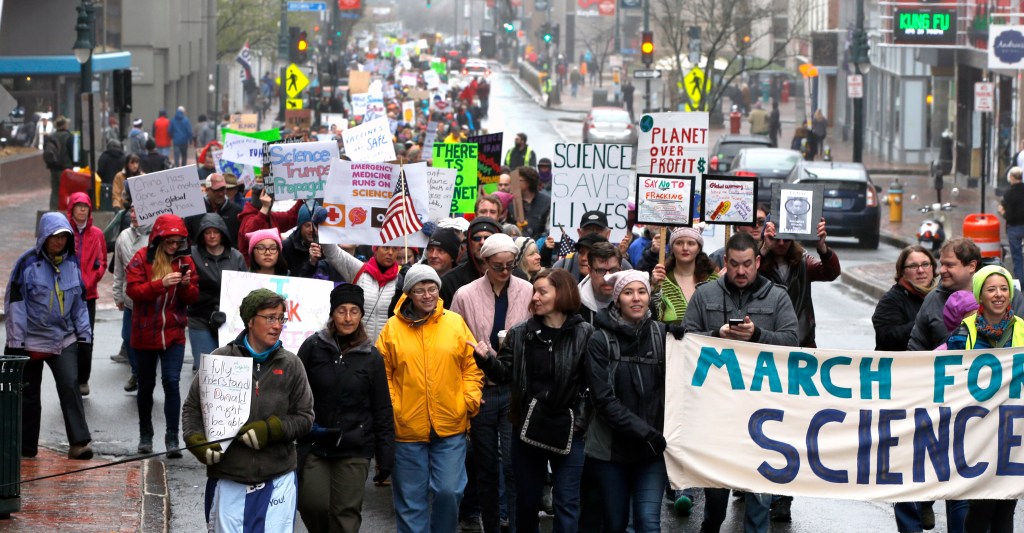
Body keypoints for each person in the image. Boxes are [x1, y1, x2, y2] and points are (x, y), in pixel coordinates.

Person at [683, 232, 799, 533]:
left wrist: (758, 335)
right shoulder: (705, 295)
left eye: (747, 264)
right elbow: (685, 339)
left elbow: (792, 342)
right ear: (725, 261)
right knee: (716, 497)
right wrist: (716, 336)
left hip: (762, 412)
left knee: (759, 496)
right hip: (716, 411)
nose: (741, 271)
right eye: (734, 264)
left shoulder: (777, 296)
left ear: (757, 261)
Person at [469, 268, 593, 533]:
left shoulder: (585, 333)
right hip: (527, 429)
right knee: (526, 504)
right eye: (534, 291)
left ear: (562, 294)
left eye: (542, 292)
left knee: (567, 504)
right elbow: (503, 375)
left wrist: (580, 422)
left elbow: (594, 385)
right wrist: (486, 360)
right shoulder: (520, 333)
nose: (534, 297)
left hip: (569, 430)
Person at [181, 289, 314, 530]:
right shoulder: (220, 359)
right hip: (229, 477)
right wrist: (196, 441)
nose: (277, 325)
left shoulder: (292, 364)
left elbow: (305, 417)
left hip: (277, 477)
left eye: (281, 318)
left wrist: (271, 430)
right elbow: (193, 408)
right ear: (250, 321)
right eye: (270, 318)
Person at [376, 264, 484, 533]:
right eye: (419, 290)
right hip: (406, 429)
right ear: (408, 294)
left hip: (450, 425)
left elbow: (471, 366)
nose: (427, 295)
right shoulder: (392, 329)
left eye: (432, 288)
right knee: (411, 501)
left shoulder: (454, 323)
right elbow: (381, 373)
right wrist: (394, 408)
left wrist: (468, 400)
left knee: (450, 491)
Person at [451, 234, 534, 533]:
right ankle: (490, 525)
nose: (505, 271)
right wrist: (468, 389)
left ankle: (513, 524)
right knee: (485, 466)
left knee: (513, 464)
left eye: (510, 265)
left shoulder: (527, 290)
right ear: (485, 262)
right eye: (498, 266)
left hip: (513, 388)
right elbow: (455, 343)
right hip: (481, 389)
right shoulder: (465, 294)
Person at [296, 284, 395, 533]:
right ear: (333, 313)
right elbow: (295, 392)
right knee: (312, 504)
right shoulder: (313, 347)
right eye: (341, 311)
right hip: (317, 442)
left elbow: (382, 408)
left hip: (355, 445)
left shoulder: (371, 357)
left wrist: (385, 456)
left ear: (361, 315)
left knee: (345, 513)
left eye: (354, 311)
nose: (348, 318)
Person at [5, 212, 94, 460]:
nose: (59, 242)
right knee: (29, 394)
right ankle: (26, 446)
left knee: (70, 386)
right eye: (55, 237)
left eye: (64, 237)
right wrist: (16, 343)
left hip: (64, 338)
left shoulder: (72, 264)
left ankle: (79, 443)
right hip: (31, 339)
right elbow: (15, 305)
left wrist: (85, 337)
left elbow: (80, 304)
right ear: (44, 237)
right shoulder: (26, 264)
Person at [586, 270, 668, 532]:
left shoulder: (662, 336)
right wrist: (646, 432)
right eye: (628, 292)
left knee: (648, 521)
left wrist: (715, 333)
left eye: (642, 292)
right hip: (611, 452)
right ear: (617, 299)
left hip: (652, 452)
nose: (636, 298)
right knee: (615, 524)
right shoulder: (599, 340)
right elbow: (603, 400)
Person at [944, 265, 1020, 533]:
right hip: (975, 430)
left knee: (1006, 504)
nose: (999, 294)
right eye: (991, 289)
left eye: (1004, 289)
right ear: (980, 295)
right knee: (981, 504)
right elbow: (947, 377)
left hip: (1012, 432)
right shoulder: (963, 333)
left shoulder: (1022, 329)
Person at [870, 245, 939, 531]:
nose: (921, 270)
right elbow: (887, 336)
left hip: (935, 387)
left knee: (934, 452)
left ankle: (926, 501)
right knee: (905, 458)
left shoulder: (942, 297)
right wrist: (923, 323)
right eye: (914, 266)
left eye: (926, 264)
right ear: (902, 271)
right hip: (902, 389)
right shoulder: (892, 300)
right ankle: (911, 519)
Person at [125, 213, 199, 456]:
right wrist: (161, 284)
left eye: (178, 242)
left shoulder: (185, 261)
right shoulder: (141, 258)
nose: (174, 246)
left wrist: (186, 285)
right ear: (159, 239)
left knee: (171, 382)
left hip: (174, 333)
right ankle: (145, 434)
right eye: (170, 241)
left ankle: (172, 438)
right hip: (145, 333)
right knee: (146, 386)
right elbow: (133, 291)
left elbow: (192, 298)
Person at [908, 238, 1024, 351]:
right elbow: (916, 347)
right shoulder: (933, 299)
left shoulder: (1012, 297)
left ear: (972, 266)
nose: (941, 270)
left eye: (949, 265)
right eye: (942, 264)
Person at [759, 217, 840, 349]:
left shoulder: (803, 262)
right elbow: (747, 273)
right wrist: (764, 250)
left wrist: (822, 248)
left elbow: (832, 273)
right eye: (776, 238)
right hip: (767, 341)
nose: (781, 243)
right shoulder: (758, 264)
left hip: (802, 340)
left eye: (786, 238)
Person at [187, 214, 247, 373]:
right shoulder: (192, 255)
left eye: (216, 232)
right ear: (202, 235)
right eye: (208, 232)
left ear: (223, 234)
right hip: (200, 317)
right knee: (207, 370)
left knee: (230, 370)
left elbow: (245, 287)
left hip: (230, 321)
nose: (212, 236)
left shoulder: (236, 256)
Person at [66, 192, 107, 396]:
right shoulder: (64, 231)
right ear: (71, 209)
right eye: (78, 206)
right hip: (66, 295)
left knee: (85, 339)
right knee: (67, 338)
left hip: (88, 295)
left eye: (86, 206)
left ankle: (83, 379)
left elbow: (102, 262)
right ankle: (68, 378)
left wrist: (91, 279)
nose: (82, 210)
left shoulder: (97, 234)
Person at [322, 243, 403, 341]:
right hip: (358, 345)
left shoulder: (402, 278)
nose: (390, 252)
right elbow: (332, 252)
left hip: (388, 346)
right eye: (386, 247)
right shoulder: (359, 270)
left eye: (395, 248)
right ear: (376, 249)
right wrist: (323, 233)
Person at [112, 192, 149, 392]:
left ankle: (145, 375)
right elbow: (118, 269)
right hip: (130, 299)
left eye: (139, 211)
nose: (134, 215)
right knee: (128, 337)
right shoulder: (123, 236)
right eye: (132, 210)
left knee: (147, 342)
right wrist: (118, 294)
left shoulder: (156, 235)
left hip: (151, 299)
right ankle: (137, 372)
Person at [439, 216, 505, 309]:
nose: (482, 242)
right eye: (477, 238)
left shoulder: (516, 278)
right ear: (469, 242)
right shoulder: (450, 282)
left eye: (488, 237)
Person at [236, 186, 303, 258]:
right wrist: (264, 208)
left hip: (273, 263)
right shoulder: (247, 217)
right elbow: (251, 233)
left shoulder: (271, 217)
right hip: (253, 265)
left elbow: (290, 217)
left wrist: (302, 199)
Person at [185, 173, 242, 249]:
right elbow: (188, 236)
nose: (220, 193)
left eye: (223, 189)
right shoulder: (195, 210)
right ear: (207, 190)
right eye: (216, 190)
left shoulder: (236, 211)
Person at [282, 203, 330, 279]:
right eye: (307, 225)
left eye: (316, 225)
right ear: (300, 227)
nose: (312, 230)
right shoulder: (287, 246)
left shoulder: (329, 247)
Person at [43, 115, 74, 210]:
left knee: (55, 191)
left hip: (54, 168)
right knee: (67, 190)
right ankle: (65, 209)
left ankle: (53, 210)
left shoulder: (51, 137)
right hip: (66, 169)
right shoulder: (69, 137)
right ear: (65, 125)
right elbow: (72, 153)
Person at [999, 166, 1024, 281]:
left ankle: (1021, 282)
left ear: (1012, 177)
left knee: (1017, 257)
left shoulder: (1008, 194)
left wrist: (1001, 212)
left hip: (1014, 228)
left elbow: (1008, 215)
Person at [519, 167, 551, 238]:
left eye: (519, 180)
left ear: (528, 182)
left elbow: (548, 229)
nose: (515, 183)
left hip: (539, 242)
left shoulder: (546, 202)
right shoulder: (512, 202)